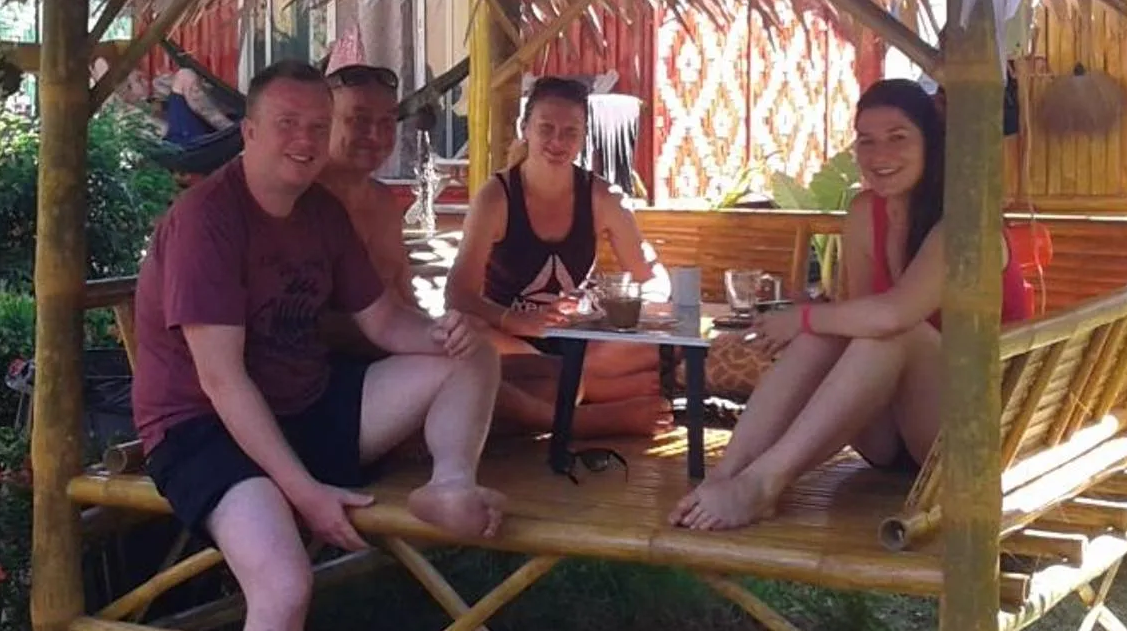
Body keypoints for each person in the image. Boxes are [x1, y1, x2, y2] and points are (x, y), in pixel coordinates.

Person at [130, 59, 504, 631]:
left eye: (315, 124)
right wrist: (304, 492)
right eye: (287, 124)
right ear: (251, 132)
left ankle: (453, 481)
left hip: (303, 409)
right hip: (203, 431)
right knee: (285, 583)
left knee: (467, 352)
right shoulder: (207, 220)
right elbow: (222, 384)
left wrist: (446, 331)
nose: (304, 140)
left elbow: (384, 325)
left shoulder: (323, 214)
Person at [669, 78, 1035, 532]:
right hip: (891, 435)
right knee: (827, 336)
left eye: (898, 138)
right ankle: (727, 476)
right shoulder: (867, 213)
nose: (879, 155)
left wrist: (801, 315)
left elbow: (893, 315)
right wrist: (811, 319)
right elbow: (856, 322)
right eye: (867, 141)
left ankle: (764, 482)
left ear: (932, 144)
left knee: (895, 333)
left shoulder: (966, 224)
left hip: (973, 434)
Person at [446, 76, 671, 437]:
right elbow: (458, 295)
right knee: (462, 331)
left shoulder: (603, 197)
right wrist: (514, 321)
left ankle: (573, 386)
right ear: (525, 128)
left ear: (585, 136)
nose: (557, 142)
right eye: (546, 128)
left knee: (659, 350)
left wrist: (616, 303)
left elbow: (655, 280)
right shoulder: (496, 197)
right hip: (509, 338)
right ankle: (599, 395)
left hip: (579, 337)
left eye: (570, 132)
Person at [317, 63, 414, 305]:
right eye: (360, 120)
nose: (376, 136)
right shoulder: (295, 204)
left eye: (387, 123)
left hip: (395, 337)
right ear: (322, 123)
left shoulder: (384, 202)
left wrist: (442, 334)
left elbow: (405, 296)